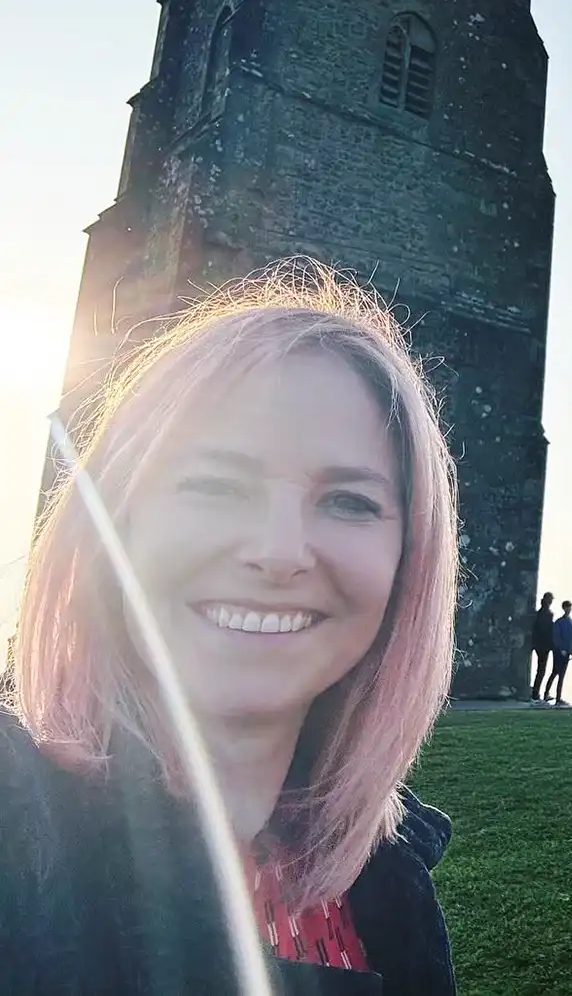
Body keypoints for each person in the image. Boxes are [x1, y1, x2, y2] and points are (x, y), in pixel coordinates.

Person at [1, 260, 460, 994]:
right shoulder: (20, 826)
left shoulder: (384, 878)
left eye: (347, 500)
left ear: (410, 559)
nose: (279, 551)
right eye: (215, 485)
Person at [543, 599, 572, 704]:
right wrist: (561, 649)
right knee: (555, 672)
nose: (569, 609)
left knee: (561, 675)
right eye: (567, 607)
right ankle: (546, 693)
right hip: (558, 652)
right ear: (564, 608)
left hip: (566, 653)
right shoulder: (559, 622)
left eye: (570, 607)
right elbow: (556, 638)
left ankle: (558, 697)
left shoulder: (571, 622)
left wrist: (571, 651)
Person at [529, 592, 555, 702]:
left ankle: (536, 691)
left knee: (540, 670)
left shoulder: (539, 612)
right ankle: (535, 692)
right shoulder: (547, 614)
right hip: (544, 646)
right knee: (541, 670)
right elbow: (546, 631)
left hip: (538, 644)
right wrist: (551, 644)